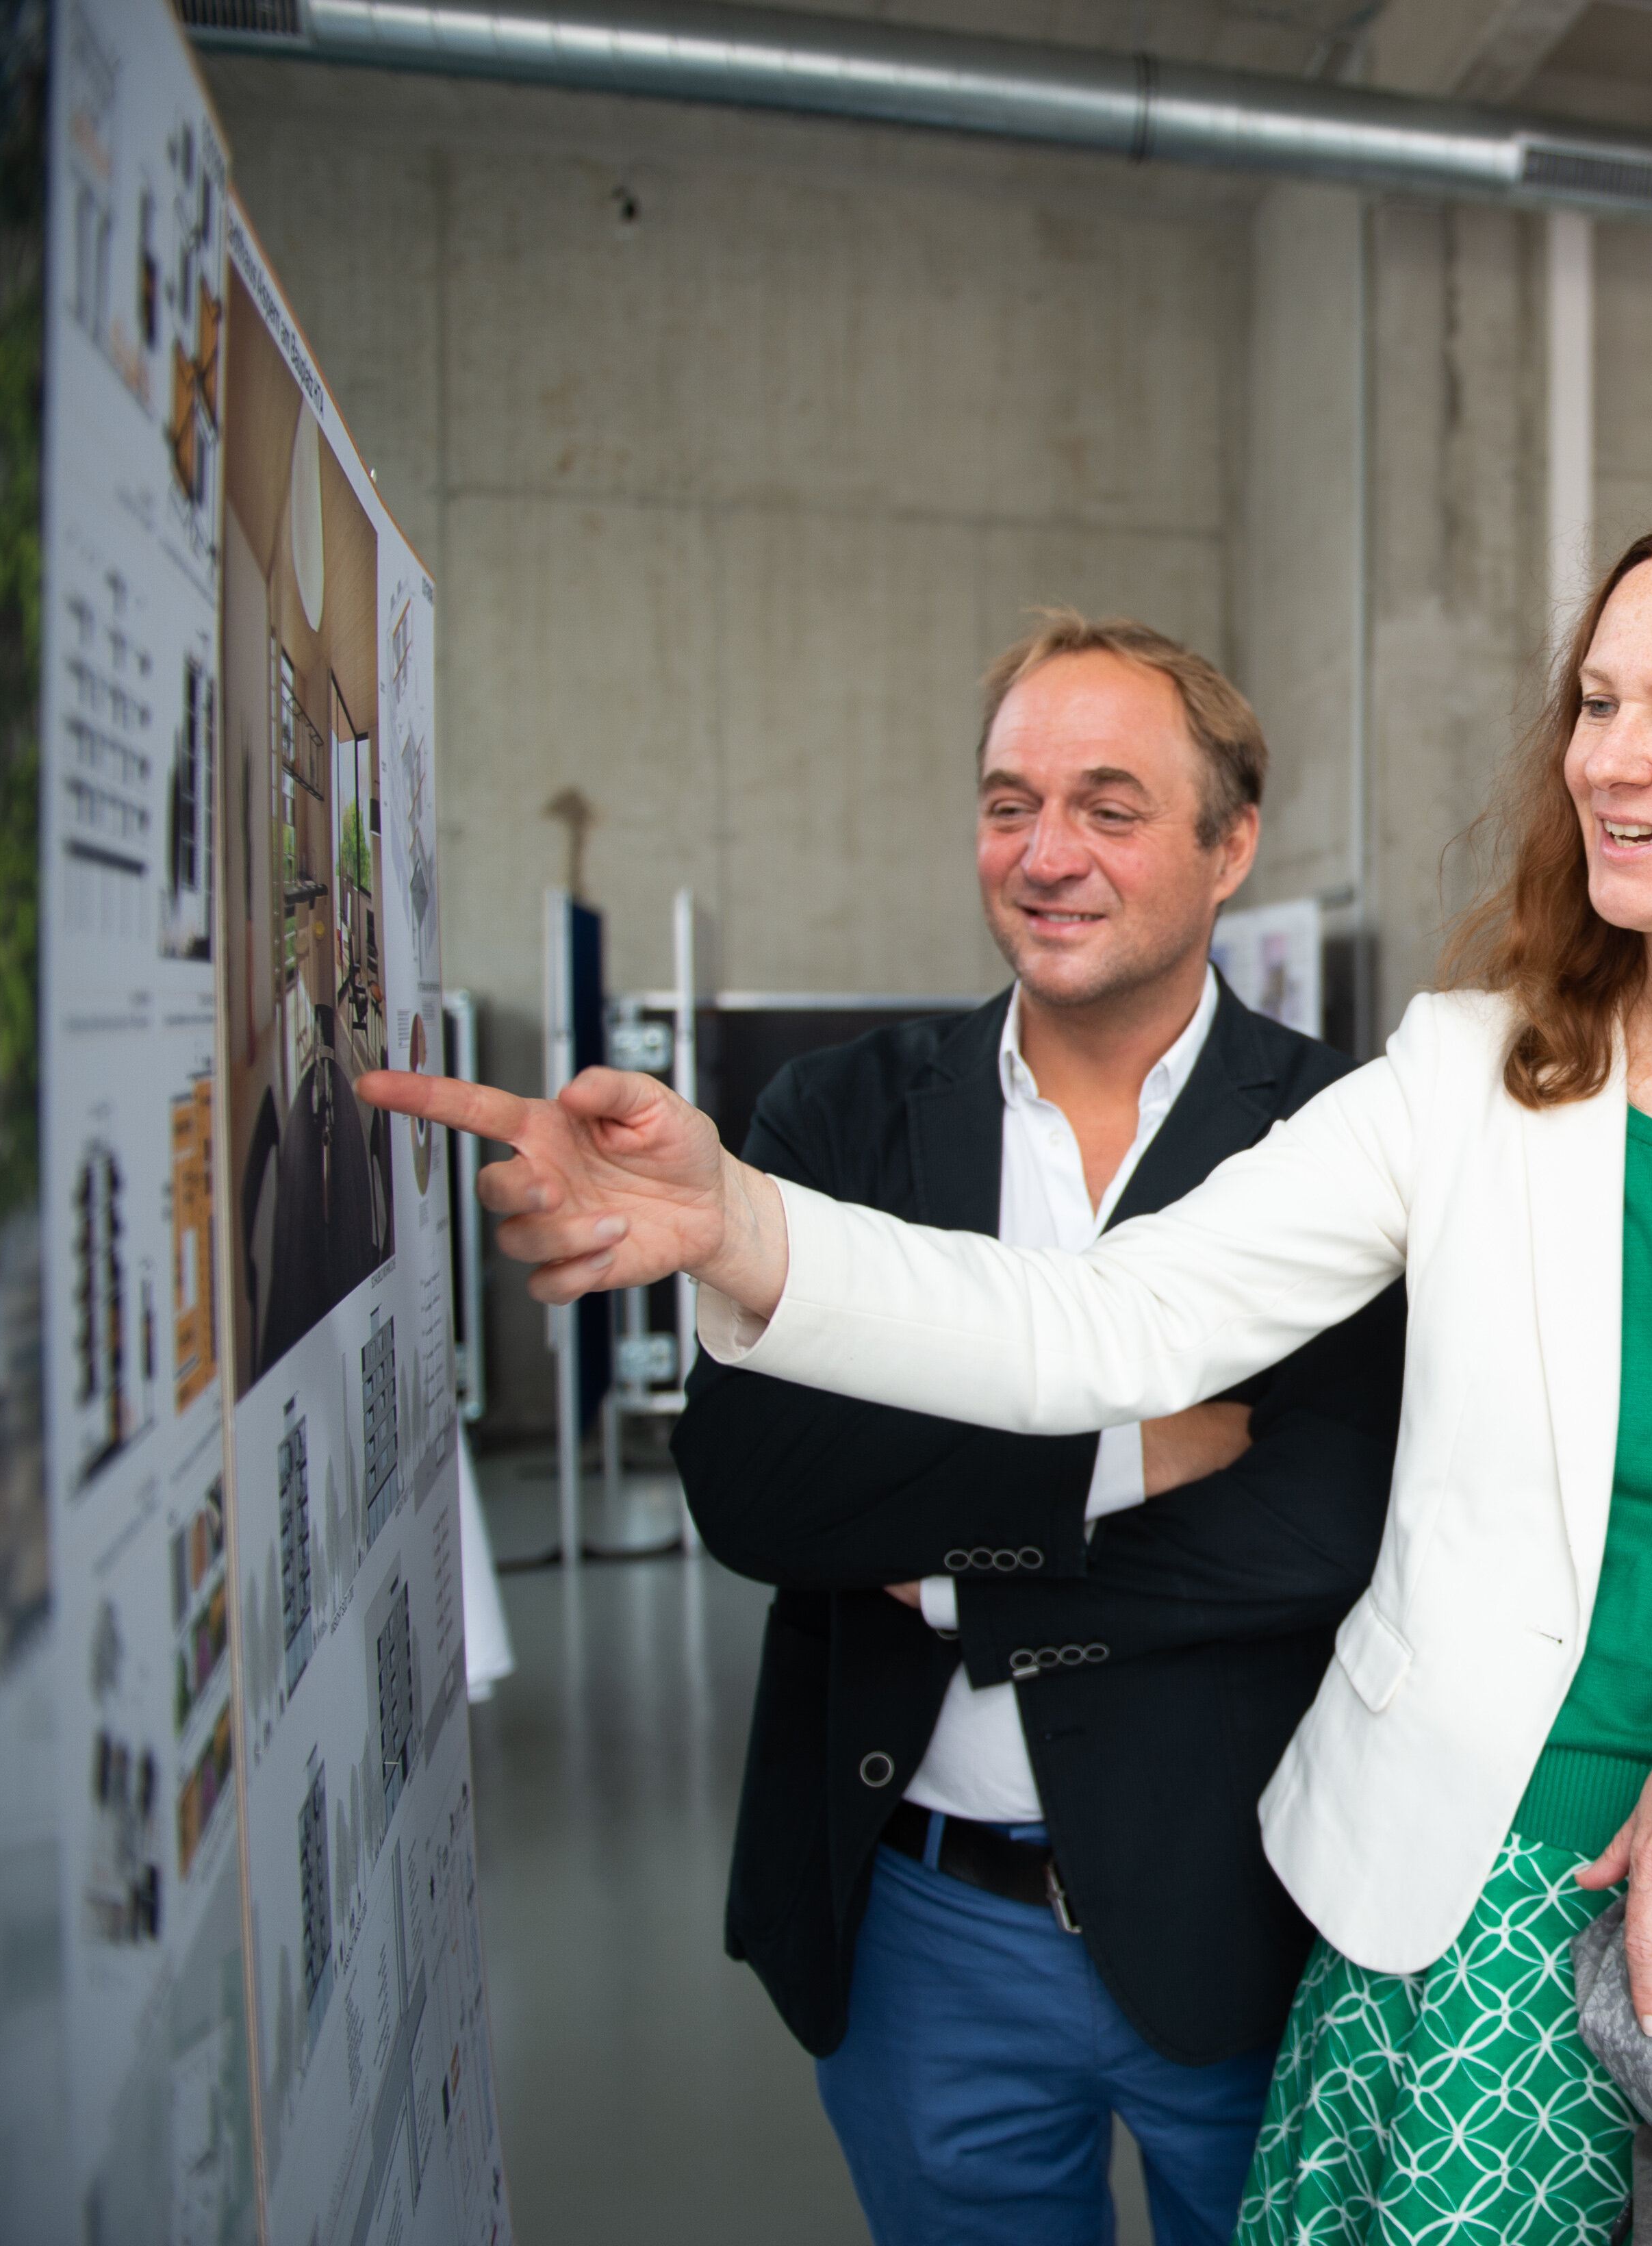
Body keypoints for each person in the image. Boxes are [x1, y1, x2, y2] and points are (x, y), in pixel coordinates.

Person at [366, 501, 1652, 2246]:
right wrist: (737, 1222)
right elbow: (1105, 1320)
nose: (1607, 760)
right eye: (1595, 702)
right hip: (1453, 1915)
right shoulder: (1473, 1074)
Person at [671, 614, 1406, 2246]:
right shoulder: (837, 1117)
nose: (1045, 853)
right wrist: (1129, 1450)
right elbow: (753, 1484)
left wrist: (949, 1579)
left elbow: (1325, 1519)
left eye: (1109, 805)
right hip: (926, 1924)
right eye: (1010, 803)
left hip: (1254, 1919)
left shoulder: (1350, 1134)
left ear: (1231, 847)